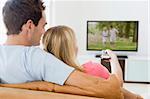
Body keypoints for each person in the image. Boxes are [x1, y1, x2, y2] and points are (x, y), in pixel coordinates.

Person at [0, 0, 123, 99]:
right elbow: (108, 88)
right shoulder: (36, 58)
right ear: (30, 26)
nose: (43, 32)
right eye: (43, 26)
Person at [1, 25, 143, 99]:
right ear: (72, 47)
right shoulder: (92, 71)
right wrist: (114, 59)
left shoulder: (35, 78)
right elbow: (117, 86)